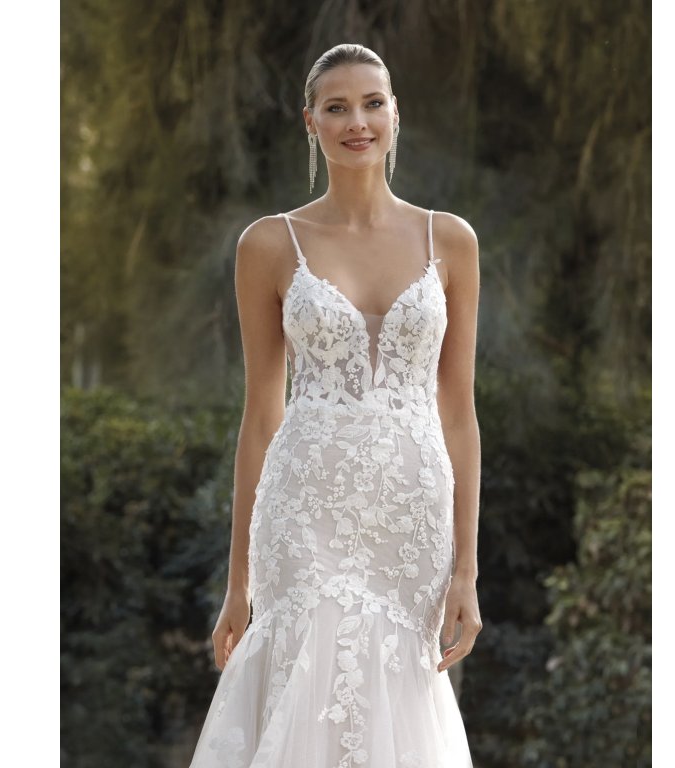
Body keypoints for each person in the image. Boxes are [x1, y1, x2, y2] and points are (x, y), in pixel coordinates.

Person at [188, 43, 482, 768]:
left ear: (395, 114)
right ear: (310, 121)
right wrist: (237, 583)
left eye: (373, 103)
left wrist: (467, 570)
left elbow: (458, 414)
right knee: (308, 674)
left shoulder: (450, 240)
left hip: (410, 519)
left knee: (395, 698)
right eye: (337, 107)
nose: (358, 122)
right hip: (305, 510)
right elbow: (262, 416)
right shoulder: (269, 243)